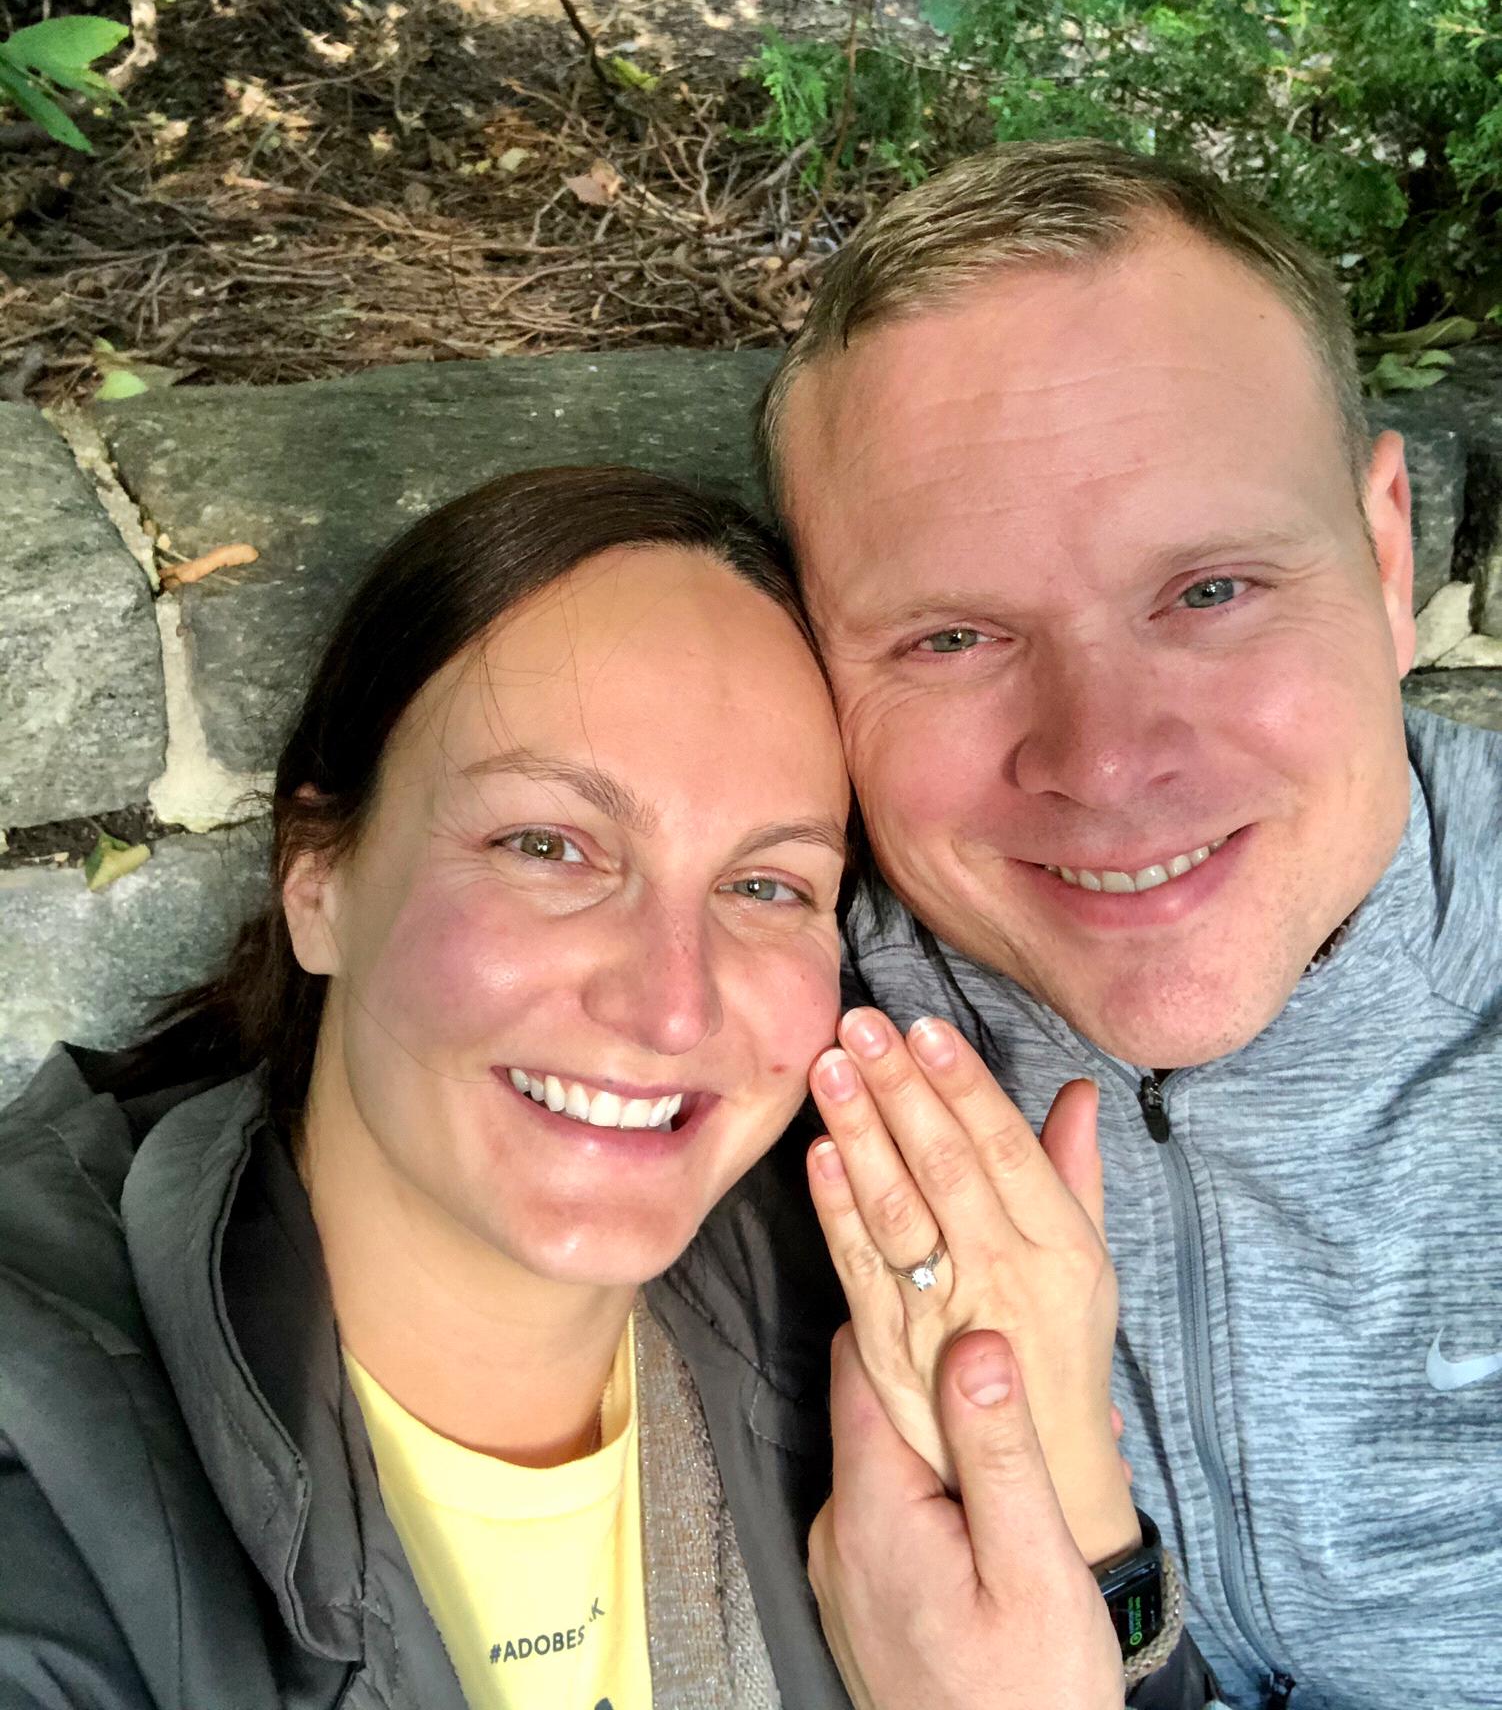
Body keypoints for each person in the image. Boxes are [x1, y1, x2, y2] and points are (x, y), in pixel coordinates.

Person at [0, 463, 1201, 1710]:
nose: (671, 1002)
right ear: (317, 878)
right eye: (549, 845)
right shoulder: (50, 1467)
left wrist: (1063, 1504)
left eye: (766, 884)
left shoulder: (870, 1308)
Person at [757, 139, 1502, 1710]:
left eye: (1209, 592)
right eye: (953, 635)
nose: (1100, 760)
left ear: (1384, 557)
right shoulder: (744, 1007)